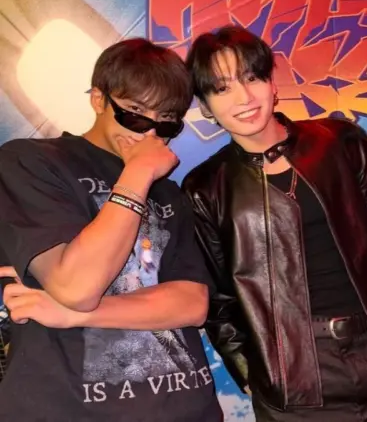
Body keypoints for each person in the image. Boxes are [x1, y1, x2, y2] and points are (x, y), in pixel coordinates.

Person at [181, 25, 367, 421]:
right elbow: (217, 298)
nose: (244, 98)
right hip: (294, 377)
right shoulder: (205, 187)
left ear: (272, 84)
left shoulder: (339, 141)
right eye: (222, 88)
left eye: (252, 78)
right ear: (206, 106)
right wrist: (249, 373)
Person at [0, 39, 223, 421]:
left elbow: (192, 304)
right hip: (67, 411)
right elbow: (76, 286)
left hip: (187, 409)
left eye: (166, 122)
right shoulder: (31, 162)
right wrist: (138, 172)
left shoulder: (168, 192)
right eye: (135, 115)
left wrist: (77, 315)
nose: (148, 135)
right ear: (98, 100)